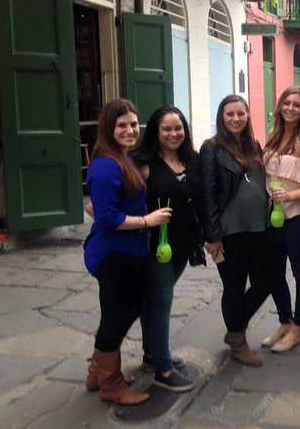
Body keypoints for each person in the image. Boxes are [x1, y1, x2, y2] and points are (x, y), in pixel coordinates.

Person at [83, 98, 172, 405]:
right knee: (118, 315)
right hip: (112, 254)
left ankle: (98, 372)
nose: (130, 130)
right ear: (108, 128)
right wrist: (148, 220)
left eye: (134, 124)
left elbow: (103, 206)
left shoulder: (124, 158)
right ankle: (110, 384)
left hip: (128, 251)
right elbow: (108, 220)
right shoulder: (106, 165)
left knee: (121, 310)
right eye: (122, 125)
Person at [129, 105, 200, 391]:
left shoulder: (191, 159)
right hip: (156, 246)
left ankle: (151, 352)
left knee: (154, 300)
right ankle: (164, 369)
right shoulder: (144, 163)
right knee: (161, 301)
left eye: (178, 128)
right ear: (155, 132)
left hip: (183, 245)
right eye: (167, 129)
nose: (173, 134)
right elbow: (119, 191)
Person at [200, 95, 273, 366]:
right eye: (229, 114)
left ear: (247, 115)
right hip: (231, 231)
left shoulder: (254, 145)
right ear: (221, 117)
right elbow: (208, 194)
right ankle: (238, 344)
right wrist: (213, 236)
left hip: (259, 227)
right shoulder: (211, 148)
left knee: (266, 281)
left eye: (240, 113)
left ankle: (234, 328)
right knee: (234, 286)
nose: (235, 118)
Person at [262, 87, 300, 352]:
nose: (290, 108)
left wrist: (289, 196)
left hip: (299, 216)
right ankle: (284, 323)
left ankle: (297, 328)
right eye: (287, 103)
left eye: (296, 105)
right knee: (274, 272)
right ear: (280, 106)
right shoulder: (273, 135)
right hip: (274, 216)